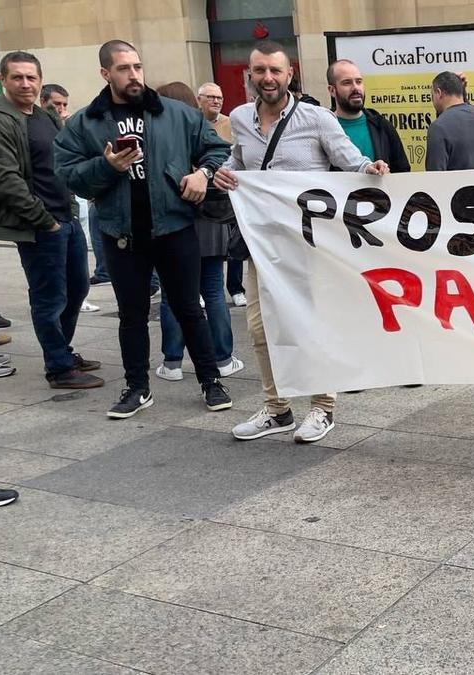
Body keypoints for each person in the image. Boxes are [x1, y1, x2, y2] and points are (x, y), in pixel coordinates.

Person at [213, 40, 388, 443]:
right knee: (259, 329)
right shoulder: (240, 119)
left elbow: (350, 160)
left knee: (311, 325)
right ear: (250, 76)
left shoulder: (316, 118)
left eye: (275, 71)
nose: (268, 78)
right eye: (260, 71)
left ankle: (323, 407)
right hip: (262, 245)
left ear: (289, 75)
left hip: (308, 244)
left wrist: (371, 167)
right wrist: (220, 173)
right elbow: (238, 161)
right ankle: (277, 410)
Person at [54, 39, 233, 418]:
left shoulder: (176, 113)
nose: (133, 74)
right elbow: (69, 176)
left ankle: (210, 381)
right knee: (132, 315)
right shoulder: (85, 122)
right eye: (123, 68)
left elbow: (216, 150)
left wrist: (202, 173)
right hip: (121, 233)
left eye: (137, 66)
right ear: (106, 73)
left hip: (174, 227)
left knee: (189, 308)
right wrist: (107, 167)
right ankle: (137, 387)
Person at [0, 51, 104, 389]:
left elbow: (63, 162)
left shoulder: (44, 115)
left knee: (76, 289)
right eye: (17, 77)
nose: (25, 83)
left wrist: (69, 207)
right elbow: (4, 178)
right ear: (4, 80)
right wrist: (44, 220)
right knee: (49, 297)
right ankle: (58, 367)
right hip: (41, 225)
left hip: (64, 217)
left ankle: (62, 351)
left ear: (39, 80)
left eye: (31, 77)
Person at [150, 82, 245, 384]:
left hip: (176, 226)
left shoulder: (159, 139)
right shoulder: (202, 132)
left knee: (173, 295)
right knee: (214, 292)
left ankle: (173, 361)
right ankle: (224, 358)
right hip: (210, 224)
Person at [40, 83, 99, 313]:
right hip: (52, 207)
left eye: (65, 104)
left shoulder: (68, 126)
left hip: (73, 199)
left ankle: (77, 298)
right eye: (57, 104)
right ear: (44, 102)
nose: (62, 109)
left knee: (79, 258)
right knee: (55, 269)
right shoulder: (42, 126)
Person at [197, 82, 246, 307]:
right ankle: (198, 289)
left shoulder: (231, 123)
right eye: (211, 97)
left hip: (228, 192)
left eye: (219, 97)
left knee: (235, 240)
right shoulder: (192, 124)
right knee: (203, 248)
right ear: (199, 100)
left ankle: (236, 288)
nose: (216, 101)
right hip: (201, 193)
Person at [327, 59, 411, 172]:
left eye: (359, 81)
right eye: (347, 83)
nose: (355, 88)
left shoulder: (382, 126)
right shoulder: (324, 128)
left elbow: (402, 171)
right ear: (332, 90)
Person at [425, 71, 474, 171]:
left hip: (454, 186)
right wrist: (463, 90)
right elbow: (465, 109)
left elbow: (435, 174)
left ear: (438, 93)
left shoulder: (438, 127)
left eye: (432, 95)